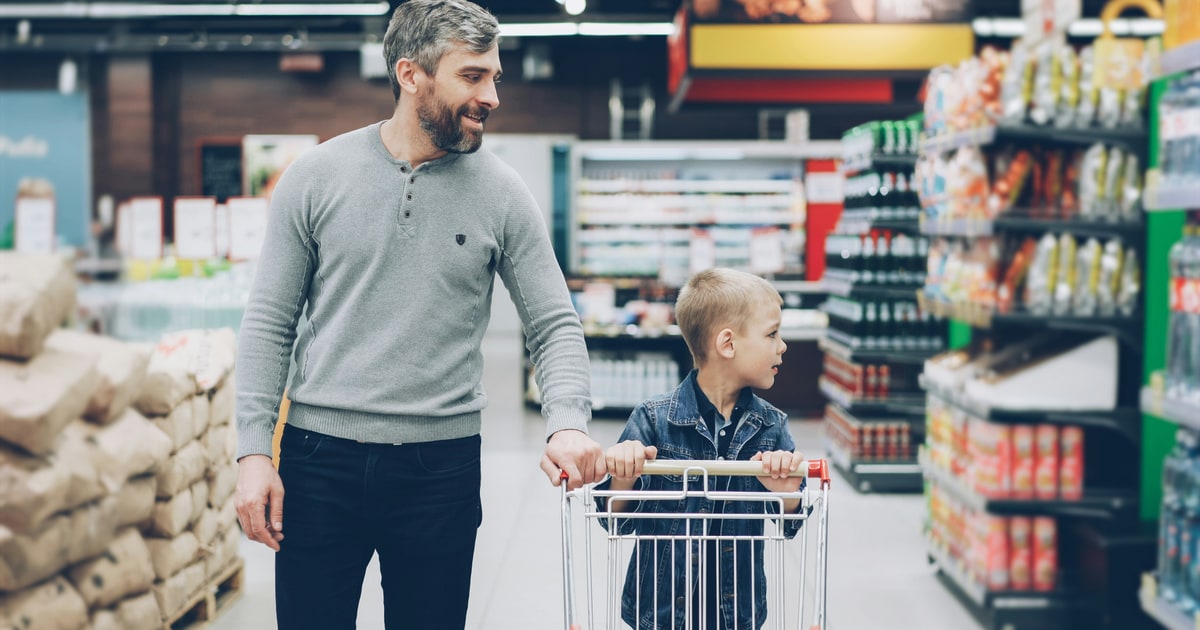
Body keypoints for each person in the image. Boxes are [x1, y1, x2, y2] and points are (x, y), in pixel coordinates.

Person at [232, 1, 605, 628]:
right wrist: (252, 455)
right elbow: (269, 322)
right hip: (319, 459)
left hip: (441, 468)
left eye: (495, 77)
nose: (491, 95)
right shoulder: (316, 178)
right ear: (411, 75)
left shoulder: (503, 193)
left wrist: (566, 422)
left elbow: (553, 323)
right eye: (472, 76)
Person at [597, 268, 806, 630]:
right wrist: (622, 475)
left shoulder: (771, 426)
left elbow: (790, 522)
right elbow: (615, 517)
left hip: (736, 612)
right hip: (662, 612)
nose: (782, 345)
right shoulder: (653, 420)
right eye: (772, 333)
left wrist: (788, 494)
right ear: (728, 344)